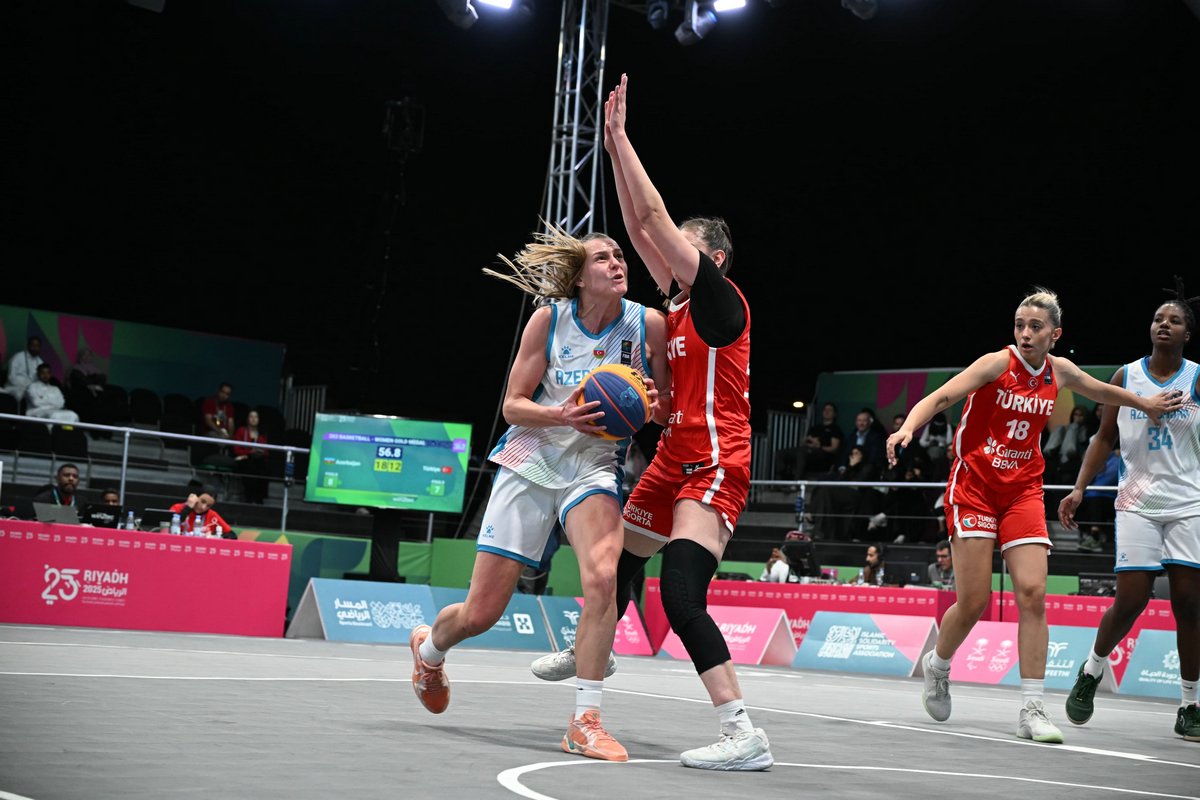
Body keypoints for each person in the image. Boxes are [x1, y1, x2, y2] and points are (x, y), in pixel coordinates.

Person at [532, 73, 773, 771]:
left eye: (682, 249)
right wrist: (612, 153)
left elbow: (655, 216)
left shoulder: (723, 303)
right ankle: (594, 645)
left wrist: (621, 138)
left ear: (712, 260)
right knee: (616, 565)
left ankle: (742, 732)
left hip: (717, 459)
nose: (660, 255)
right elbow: (640, 226)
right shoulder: (675, 309)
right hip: (673, 455)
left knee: (682, 593)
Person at [408, 225, 668, 765]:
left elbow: (665, 407)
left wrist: (648, 402)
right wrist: (561, 414)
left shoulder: (648, 324)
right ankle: (429, 651)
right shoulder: (549, 321)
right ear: (579, 277)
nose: (617, 263)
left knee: (603, 579)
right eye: (603, 258)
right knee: (481, 614)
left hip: (593, 466)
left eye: (620, 255)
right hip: (530, 461)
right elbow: (512, 405)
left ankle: (585, 722)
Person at [885, 286, 1184, 745]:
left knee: (1033, 592)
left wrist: (1145, 403)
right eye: (1020, 325)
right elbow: (942, 397)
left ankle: (1032, 708)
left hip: (1023, 490)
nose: (1025, 333)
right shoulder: (995, 363)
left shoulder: (1059, 371)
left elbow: (1101, 390)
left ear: (1054, 334)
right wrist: (907, 427)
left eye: (1035, 327)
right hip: (975, 488)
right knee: (974, 600)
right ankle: (938, 665)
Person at [1058, 282, 1199, 743]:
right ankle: (1091, 671)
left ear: (1187, 334)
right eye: (1159, 319)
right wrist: (1079, 488)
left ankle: (1190, 704)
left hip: (1189, 503)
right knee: (1132, 600)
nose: (1164, 325)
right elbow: (1104, 438)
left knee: (1190, 604)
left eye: (1174, 320)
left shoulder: (1196, 379)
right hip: (1137, 501)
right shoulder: (1126, 377)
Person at [1074, 444, 1119, 553]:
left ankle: (1095, 536)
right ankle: (1092, 535)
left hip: (1110, 498)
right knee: (1075, 504)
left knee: (1096, 501)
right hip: (1091, 497)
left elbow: (1104, 484)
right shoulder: (1094, 463)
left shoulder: (1117, 459)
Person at [233, 409, 270, 504]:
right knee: (249, 468)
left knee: (263, 469)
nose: (253, 419)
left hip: (259, 460)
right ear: (247, 419)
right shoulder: (241, 431)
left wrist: (260, 452)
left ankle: (259, 499)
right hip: (244, 460)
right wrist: (250, 452)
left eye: (256, 417)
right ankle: (248, 498)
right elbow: (236, 450)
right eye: (251, 416)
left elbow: (266, 451)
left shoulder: (262, 434)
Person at [802, 402, 843, 477]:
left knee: (805, 454)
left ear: (834, 414)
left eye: (830, 410)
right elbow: (805, 441)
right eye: (825, 409)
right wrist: (809, 443)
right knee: (797, 452)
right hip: (808, 450)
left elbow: (834, 448)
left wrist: (819, 446)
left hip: (825, 455)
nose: (827, 411)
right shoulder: (815, 428)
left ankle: (797, 480)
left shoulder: (835, 429)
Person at [4, 336, 44, 402]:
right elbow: (11, 377)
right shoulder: (18, 357)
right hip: (15, 387)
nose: (35, 348)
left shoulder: (40, 362)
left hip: (33, 389)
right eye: (33, 346)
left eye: (37, 346)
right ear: (28, 346)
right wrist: (26, 386)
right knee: (24, 394)